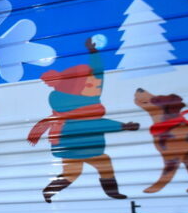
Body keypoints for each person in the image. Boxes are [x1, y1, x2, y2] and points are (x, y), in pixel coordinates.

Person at [28, 37, 140, 202]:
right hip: (80, 147)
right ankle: (112, 192)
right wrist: (123, 126)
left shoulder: (87, 99)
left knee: (73, 173)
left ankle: (49, 191)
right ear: (77, 90)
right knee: (102, 164)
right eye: (91, 85)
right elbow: (98, 124)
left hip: (73, 147)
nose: (97, 87)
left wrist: (93, 53)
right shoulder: (82, 108)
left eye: (96, 85)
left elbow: (98, 75)